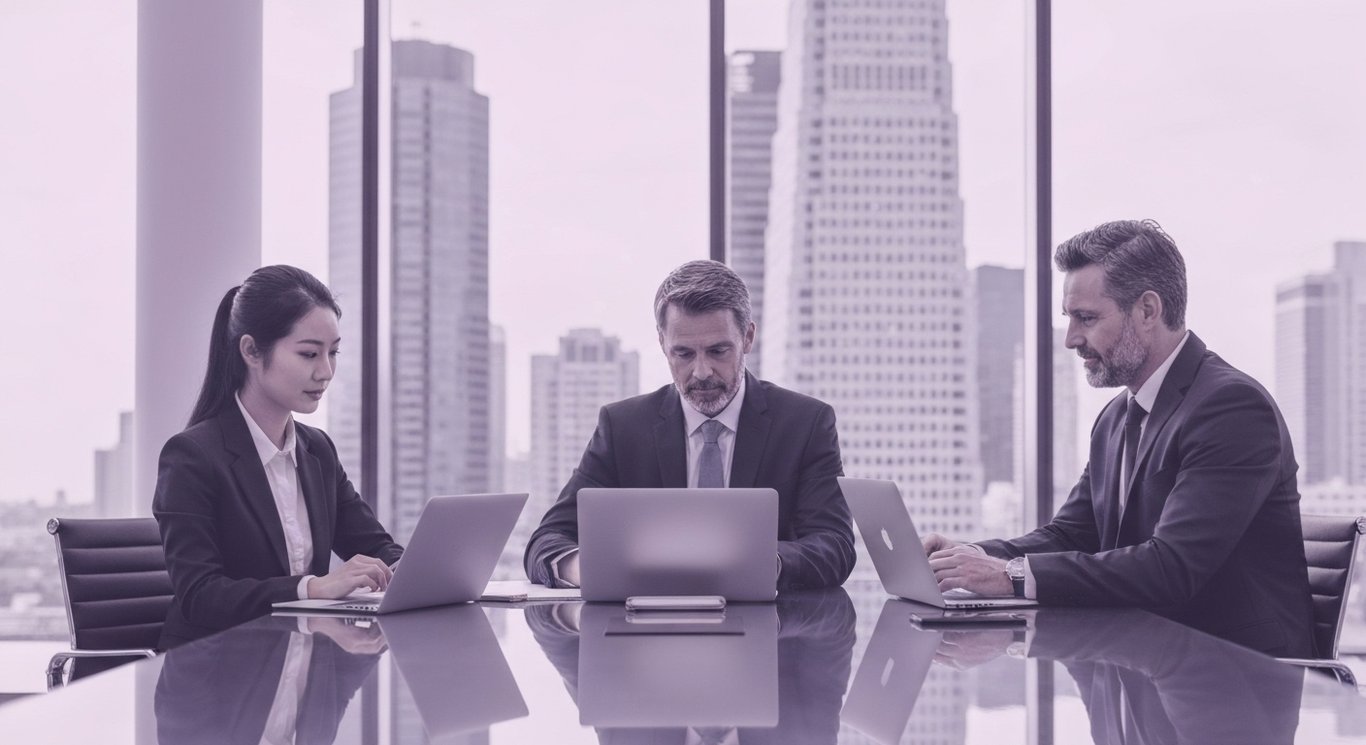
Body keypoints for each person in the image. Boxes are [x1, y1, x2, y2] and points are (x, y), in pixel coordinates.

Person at [925, 219, 1314, 656]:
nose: (1072, 339)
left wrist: (1008, 576)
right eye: (1070, 319)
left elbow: (1171, 568)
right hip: (1142, 662)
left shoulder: (1232, 409)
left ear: (1148, 311)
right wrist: (969, 556)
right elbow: (1070, 535)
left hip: (1235, 679)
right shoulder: (1115, 418)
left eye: (1087, 319)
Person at [524, 260, 856, 590]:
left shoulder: (805, 423)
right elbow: (547, 541)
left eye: (718, 351)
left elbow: (835, 546)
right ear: (662, 345)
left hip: (770, 630)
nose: (701, 371)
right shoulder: (622, 427)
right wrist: (587, 569)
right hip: (644, 630)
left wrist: (767, 564)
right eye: (683, 354)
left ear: (748, 337)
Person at [154, 265, 403, 649]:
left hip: (298, 667)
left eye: (333, 353)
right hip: (214, 676)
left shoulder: (317, 450)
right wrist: (313, 587)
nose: (326, 372)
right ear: (252, 350)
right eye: (308, 354)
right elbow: (200, 596)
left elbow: (376, 547)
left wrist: (411, 572)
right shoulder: (192, 457)